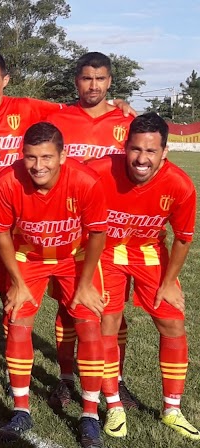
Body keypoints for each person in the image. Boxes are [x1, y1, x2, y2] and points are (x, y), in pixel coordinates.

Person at [0, 122, 108, 448]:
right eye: (30, 157)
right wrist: (15, 281)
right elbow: (1, 233)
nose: (38, 166)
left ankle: (88, 415)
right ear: (22, 155)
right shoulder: (7, 180)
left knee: (89, 325)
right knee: (17, 322)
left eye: (46, 157)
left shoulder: (85, 181)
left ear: (63, 156)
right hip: (28, 257)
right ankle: (21, 409)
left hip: (75, 257)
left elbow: (97, 233)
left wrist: (85, 284)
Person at [87, 113, 199, 440]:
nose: (141, 158)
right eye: (135, 149)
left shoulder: (179, 183)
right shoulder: (99, 170)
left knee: (173, 322)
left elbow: (182, 237)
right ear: (125, 147)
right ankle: (115, 405)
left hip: (149, 254)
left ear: (164, 152)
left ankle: (172, 409)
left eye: (151, 151)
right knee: (108, 322)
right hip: (106, 253)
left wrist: (168, 283)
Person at [46, 51, 137, 410]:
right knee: (69, 306)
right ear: (76, 82)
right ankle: (66, 379)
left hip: (112, 230)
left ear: (110, 81)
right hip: (67, 228)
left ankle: (116, 380)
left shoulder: (126, 121)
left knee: (113, 310)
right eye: (87, 78)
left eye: (100, 78)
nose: (94, 85)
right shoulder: (59, 118)